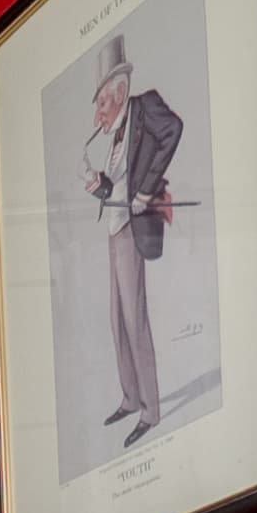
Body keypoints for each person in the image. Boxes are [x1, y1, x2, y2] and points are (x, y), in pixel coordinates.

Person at [79, 37, 184, 446]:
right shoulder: (115, 137)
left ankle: (151, 411)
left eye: (102, 104)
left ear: (119, 94)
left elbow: (174, 130)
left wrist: (147, 189)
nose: (98, 114)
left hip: (131, 231)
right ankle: (130, 395)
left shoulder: (144, 107)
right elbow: (114, 187)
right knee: (115, 317)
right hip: (114, 229)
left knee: (134, 318)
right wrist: (96, 185)